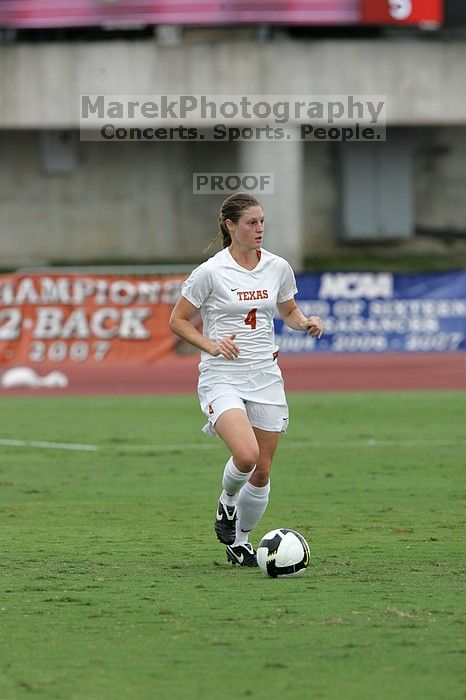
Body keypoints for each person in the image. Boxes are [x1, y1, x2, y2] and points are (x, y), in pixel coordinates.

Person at [169, 193, 323, 567]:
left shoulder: (277, 266)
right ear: (231, 226)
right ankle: (226, 502)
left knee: (263, 469)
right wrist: (211, 344)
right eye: (252, 223)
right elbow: (178, 320)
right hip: (222, 375)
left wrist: (305, 323)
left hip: (265, 376)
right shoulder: (211, 271)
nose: (260, 229)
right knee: (247, 455)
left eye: (262, 222)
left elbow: (287, 309)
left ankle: (240, 542)